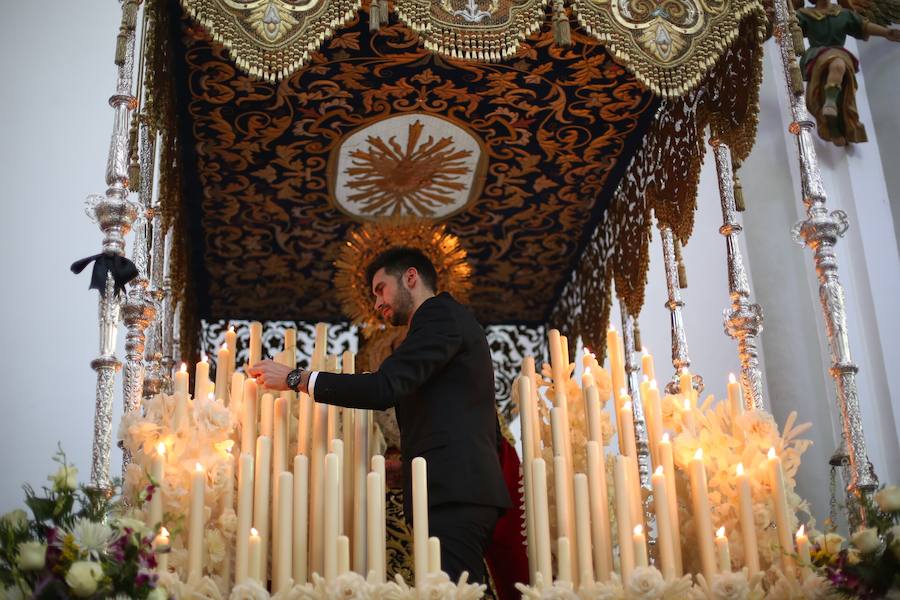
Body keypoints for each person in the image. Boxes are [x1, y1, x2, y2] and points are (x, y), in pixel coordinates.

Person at [249, 247, 512, 585]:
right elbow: (466, 421)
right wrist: (412, 466)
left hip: (455, 494)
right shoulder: (447, 323)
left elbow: (384, 387)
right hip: (452, 487)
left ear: (411, 277)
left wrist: (295, 378)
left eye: (380, 288)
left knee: (454, 594)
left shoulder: (439, 315)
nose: (377, 304)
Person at [796, 0, 900, 145]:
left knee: (843, 91)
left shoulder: (842, 14)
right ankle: (830, 104)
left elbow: (863, 26)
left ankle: (836, 126)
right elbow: (789, 29)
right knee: (838, 63)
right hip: (817, 55)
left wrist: (886, 33)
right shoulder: (804, 15)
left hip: (839, 52)